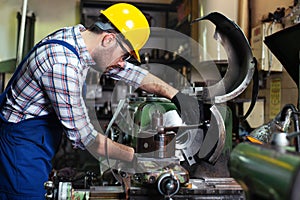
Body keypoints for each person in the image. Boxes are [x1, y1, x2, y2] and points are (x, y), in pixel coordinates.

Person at [0, 3, 200, 199]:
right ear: (108, 39)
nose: (123, 62)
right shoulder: (63, 63)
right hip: (19, 149)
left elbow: (133, 74)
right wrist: (137, 157)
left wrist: (177, 95)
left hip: (35, 142)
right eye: (125, 55)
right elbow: (84, 137)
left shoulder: (79, 40)